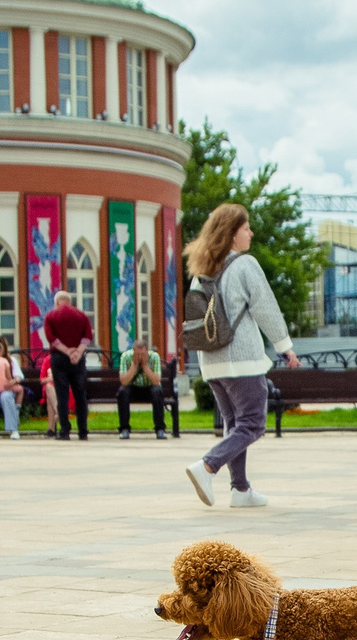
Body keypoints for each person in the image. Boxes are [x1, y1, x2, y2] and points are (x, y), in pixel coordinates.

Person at [182, 202, 299, 508]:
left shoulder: (202, 269)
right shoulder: (245, 265)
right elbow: (266, 308)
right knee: (252, 424)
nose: (251, 233)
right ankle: (208, 466)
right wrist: (285, 346)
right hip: (242, 360)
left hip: (211, 362)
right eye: (246, 228)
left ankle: (241, 490)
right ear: (233, 234)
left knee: (235, 425)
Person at [44, 294, 94, 440]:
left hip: (59, 358)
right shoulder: (81, 315)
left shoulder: (51, 316)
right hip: (77, 360)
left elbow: (51, 338)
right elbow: (87, 336)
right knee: (80, 395)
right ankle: (83, 431)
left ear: (57, 302)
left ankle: (65, 431)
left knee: (62, 395)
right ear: (70, 302)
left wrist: (67, 351)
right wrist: (77, 352)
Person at [117, 336, 172, 439]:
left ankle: (160, 429)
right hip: (133, 388)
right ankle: (124, 429)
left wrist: (145, 365)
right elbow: (124, 381)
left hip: (149, 388)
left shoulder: (154, 357)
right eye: (137, 353)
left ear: (147, 350)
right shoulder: (126, 356)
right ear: (133, 351)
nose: (140, 356)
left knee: (157, 391)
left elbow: (156, 381)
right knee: (122, 392)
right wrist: (135, 365)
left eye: (142, 353)